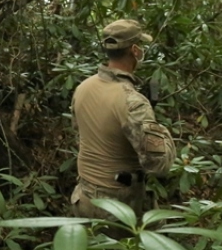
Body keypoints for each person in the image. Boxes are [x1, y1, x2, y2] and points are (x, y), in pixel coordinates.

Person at [70, 19, 176, 221]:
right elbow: (158, 164)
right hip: (118, 208)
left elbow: (81, 134)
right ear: (135, 50)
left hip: (83, 198)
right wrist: (160, 131)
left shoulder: (83, 87)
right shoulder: (132, 102)